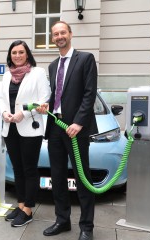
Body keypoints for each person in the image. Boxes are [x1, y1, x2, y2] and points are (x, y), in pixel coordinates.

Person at [37, 21, 98, 240]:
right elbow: (57, 95)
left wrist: (79, 122)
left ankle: (86, 227)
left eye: (63, 32)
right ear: (52, 38)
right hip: (56, 128)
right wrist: (47, 105)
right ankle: (62, 220)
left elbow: (89, 94)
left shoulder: (86, 59)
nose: (59, 36)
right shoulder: (53, 65)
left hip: (76, 130)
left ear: (70, 34)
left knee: (83, 179)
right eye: (55, 34)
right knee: (57, 176)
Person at [0, 40, 51, 227]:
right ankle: (20, 205)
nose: (18, 55)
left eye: (21, 52)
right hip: (10, 127)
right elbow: (2, 99)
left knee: (29, 169)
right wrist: (4, 112)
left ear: (27, 54)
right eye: (14, 52)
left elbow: (44, 99)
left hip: (30, 127)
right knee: (18, 169)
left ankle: (28, 209)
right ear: (10, 55)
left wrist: (24, 113)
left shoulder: (37, 73)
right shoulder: (6, 75)